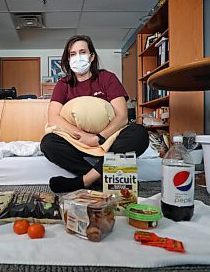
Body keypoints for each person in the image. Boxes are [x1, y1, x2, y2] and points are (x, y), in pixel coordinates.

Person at [40, 35, 149, 193]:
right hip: (78, 141)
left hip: (108, 138)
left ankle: (85, 181)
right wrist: (82, 136)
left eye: (82, 52)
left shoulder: (107, 78)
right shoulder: (63, 84)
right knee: (48, 143)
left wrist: (99, 138)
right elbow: (53, 117)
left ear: (91, 57)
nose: (78, 57)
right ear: (68, 59)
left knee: (139, 133)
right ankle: (105, 180)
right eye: (72, 54)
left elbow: (122, 117)